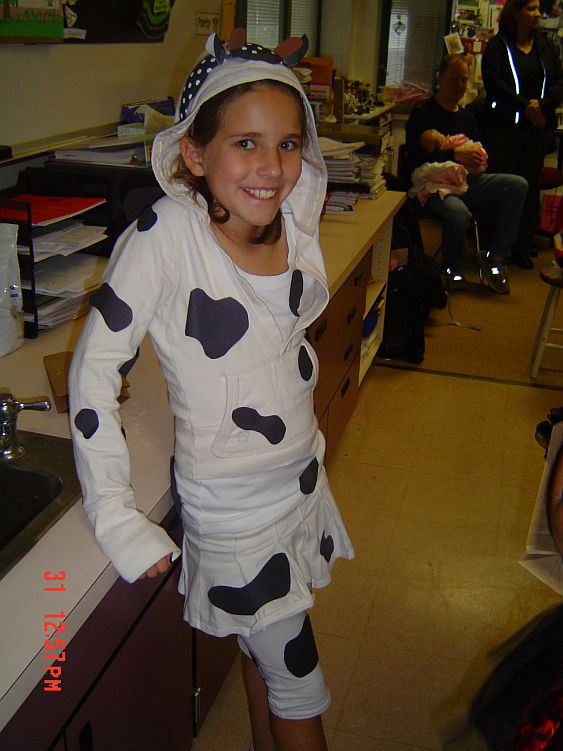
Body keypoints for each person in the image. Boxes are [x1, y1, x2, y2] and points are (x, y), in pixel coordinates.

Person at [68, 29, 355, 751]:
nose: (272, 167)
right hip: (235, 514)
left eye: (288, 144)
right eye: (245, 143)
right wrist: (115, 515)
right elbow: (92, 374)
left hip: (299, 483)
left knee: (265, 661)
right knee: (299, 682)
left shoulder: (290, 218)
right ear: (195, 153)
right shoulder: (168, 235)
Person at [405, 54, 528, 294]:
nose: (460, 85)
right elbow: (414, 161)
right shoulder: (422, 113)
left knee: (517, 185)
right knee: (457, 212)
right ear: (440, 78)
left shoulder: (468, 117)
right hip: (433, 187)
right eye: (454, 79)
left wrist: (477, 161)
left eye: (464, 80)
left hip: (467, 182)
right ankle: (452, 270)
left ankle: (494, 258)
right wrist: (453, 155)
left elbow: (475, 156)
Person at [482, 0, 563, 269]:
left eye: (538, 8)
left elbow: (559, 82)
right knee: (504, 186)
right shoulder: (498, 46)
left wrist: (542, 106)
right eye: (531, 8)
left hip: (536, 131)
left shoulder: (546, 46)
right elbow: (494, 83)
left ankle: (521, 246)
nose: (537, 14)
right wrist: (525, 106)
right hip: (504, 130)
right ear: (515, 13)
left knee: (529, 188)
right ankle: (494, 247)